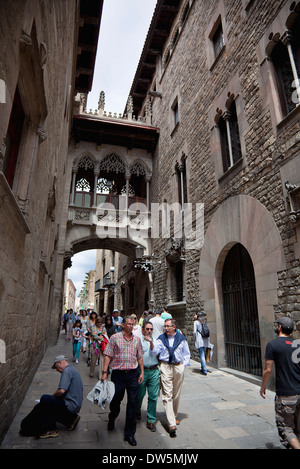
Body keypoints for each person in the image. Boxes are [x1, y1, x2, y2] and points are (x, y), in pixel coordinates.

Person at [101, 315, 144, 446]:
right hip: (118, 375)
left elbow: (140, 356)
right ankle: (112, 417)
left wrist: (142, 372)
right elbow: (108, 355)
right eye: (129, 324)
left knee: (132, 403)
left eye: (133, 324)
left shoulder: (137, 339)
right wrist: (104, 372)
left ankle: (129, 433)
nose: (131, 326)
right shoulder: (115, 338)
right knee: (116, 401)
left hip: (132, 374)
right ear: (123, 325)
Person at [260, 317, 300, 449]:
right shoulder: (297, 344)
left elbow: (268, 369)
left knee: (286, 429)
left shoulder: (273, 345)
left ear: (279, 328)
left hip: (286, 394)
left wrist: (263, 386)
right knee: (297, 429)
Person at [20, 355, 83, 439]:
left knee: (45, 399)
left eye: (56, 367)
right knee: (43, 405)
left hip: (71, 405)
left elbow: (61, 391)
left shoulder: (66, 371)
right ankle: (71, 419)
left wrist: (52, 398)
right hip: (74, 404)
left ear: (60, 362)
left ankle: (52, 429)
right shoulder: (72, 369)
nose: (57, 370)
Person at [154, 318, 190, 438]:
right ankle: (171, 423)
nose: (166, 328)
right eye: (165, 326)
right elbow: (155, 352)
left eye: (168, 326)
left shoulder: (181, 339)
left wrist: (183, 366)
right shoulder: (161, 339)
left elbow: (186, 353)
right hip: (165, 366)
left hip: (178, 366)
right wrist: (150, 343)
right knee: (167, 394)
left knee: (176, 393)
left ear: (174, 327)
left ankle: (173, 415)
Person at [136, 320, 160, 432]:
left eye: (151, 329)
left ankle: (151, 420)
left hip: (154, 371)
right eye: (147, 329)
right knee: (140, 395)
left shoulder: (156, 341)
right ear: (142, 330)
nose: (149, 331)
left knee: (153, 396)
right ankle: (137, 410)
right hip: (142, 371)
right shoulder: (138, 341)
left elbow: (155, 352)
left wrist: (151, 342)